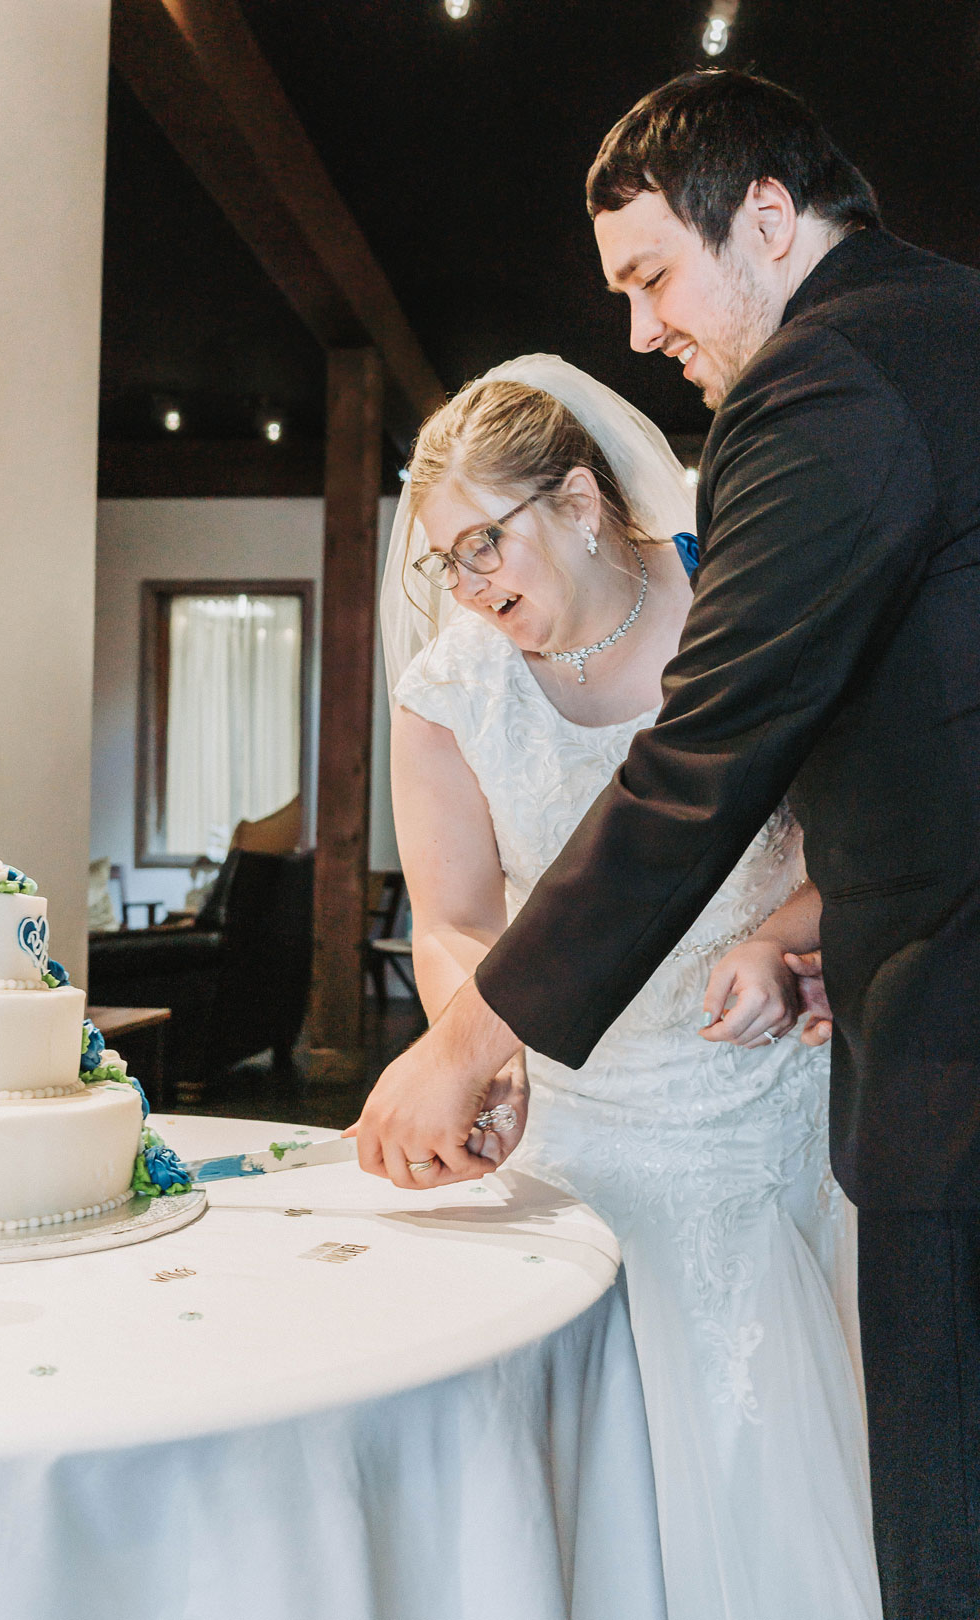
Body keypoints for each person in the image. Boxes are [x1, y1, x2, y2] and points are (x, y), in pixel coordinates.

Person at [355, 70, 980, 1620]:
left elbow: (705, 762)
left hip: (943, 1048)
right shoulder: (945, 332)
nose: (638, 332)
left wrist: (469, 1036)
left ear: (768, 219)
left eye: (652, 277)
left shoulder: (826, 383)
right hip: (824, 1011)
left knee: (940, 1519)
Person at [375, 354, 879, 1620]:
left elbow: (859, 853)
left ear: (583, 505)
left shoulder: (743, 625)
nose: (471, 588)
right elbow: (454, 917)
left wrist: (783, 941)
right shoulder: (448, 693)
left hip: (755, 1113)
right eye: (447, 561)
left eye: (487, 543)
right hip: (567, 1122)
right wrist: (483, 1053)